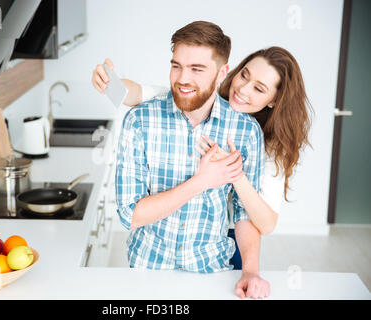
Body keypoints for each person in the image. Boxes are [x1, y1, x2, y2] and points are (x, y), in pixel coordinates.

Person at [93, 43, 312, 298]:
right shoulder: (198, 97)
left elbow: (264, 222)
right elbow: (141, 93)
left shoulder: (268, 145)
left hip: (226, 238)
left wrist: (233, 173)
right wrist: (110, 83)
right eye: (244, 75)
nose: (242, 89)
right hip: (164, 249)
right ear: (230, 72)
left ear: (274, 100)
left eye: (259, 88)